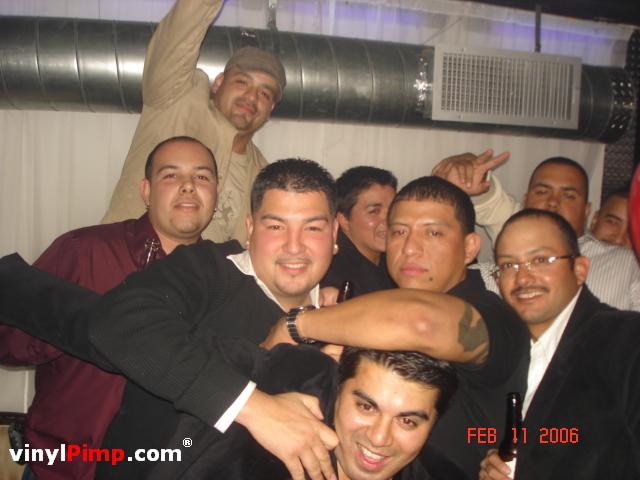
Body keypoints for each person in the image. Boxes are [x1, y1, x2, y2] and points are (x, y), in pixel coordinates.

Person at [0, 158, 340, 480]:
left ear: (335, 233)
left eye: (312, 228)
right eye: (276, 226)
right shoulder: (207, 270)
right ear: (250, 228)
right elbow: (118, 323)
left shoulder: (345, 317)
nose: (294, 246)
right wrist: (255, 406)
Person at [263, 176, 530, 479]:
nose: (410, 248)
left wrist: (298, 324)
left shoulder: (494, 316)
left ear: (469, 248)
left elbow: (419, 321)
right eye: (399, 232)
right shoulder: (375, 309)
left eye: (433, 233)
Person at [0, 136, 218, 480]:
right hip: (66, 468)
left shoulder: (221, 279)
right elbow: (9, 344)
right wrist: (75, 326)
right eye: (171, 175)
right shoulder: (83, 250)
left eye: (202, 177)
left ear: (216, 194)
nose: (189, 186)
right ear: (146, 191)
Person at [102, 0, 286, 244]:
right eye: (242, 82)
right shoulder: (176, 101)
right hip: (122, 259)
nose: (251, 97)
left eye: (264, 93)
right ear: (218, 83)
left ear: (270, 109)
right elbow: (178, 36)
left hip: (202, 270)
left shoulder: (263, 174)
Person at [478, 209, 640, 480]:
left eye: (541, 260)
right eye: (508, 265)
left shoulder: (626, 340)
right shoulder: (507, 355)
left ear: (579, 269)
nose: (523, 278)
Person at [145, 345, 459, 480]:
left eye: (407, 421)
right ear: (339, 390)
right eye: (366, 406)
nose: (379, 437)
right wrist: (250, 405)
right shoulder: (256, 457)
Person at [432, 151, 640, 311]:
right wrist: (468, 172)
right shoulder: (486, 273)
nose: (553, 202)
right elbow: (491, 203)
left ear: (586, 210)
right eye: (542, 192)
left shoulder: (626, 263)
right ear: (526, 201)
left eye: (568, 196)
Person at [322, 166, 397, 297]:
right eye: (374, 211)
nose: (389, 220)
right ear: (344, 220)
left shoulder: (396, 256)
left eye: (393, 209)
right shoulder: (333, 276)